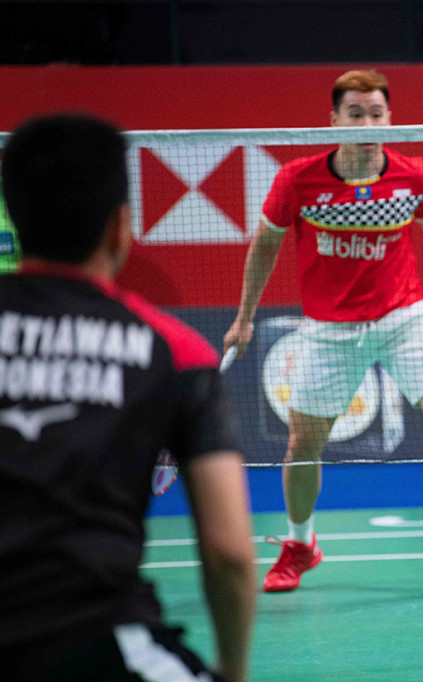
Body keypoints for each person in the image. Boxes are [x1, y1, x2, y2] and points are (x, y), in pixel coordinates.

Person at [223, 69, 423, 595]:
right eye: (356, 113)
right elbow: (266, 244)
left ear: (390, 118)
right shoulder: (299, 178)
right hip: (327, 329)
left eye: (376, 113)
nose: (367, 123)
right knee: (302, 443)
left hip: (403, 318)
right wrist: (246, 316)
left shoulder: (411, 176)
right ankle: (300, 544)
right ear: (334, 120)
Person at [0, 114, 255, 681]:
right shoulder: (176, 351)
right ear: (120, 226)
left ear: (14, 219)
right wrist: (232, 672)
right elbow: (231, 553)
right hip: (96, 637)